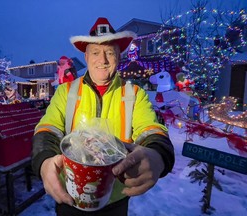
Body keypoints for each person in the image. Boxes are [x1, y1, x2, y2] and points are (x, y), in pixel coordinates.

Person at [32, 17, 175, 216]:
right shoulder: (65, 92)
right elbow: (48, 127)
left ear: (119, 56)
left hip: (115, 197)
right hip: (71, 193)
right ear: (87, 56)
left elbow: (150, 128)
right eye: (96, 53)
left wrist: (159, 154)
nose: (103, 60)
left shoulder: (134, 93)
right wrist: (44, 160)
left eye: (110, 52)